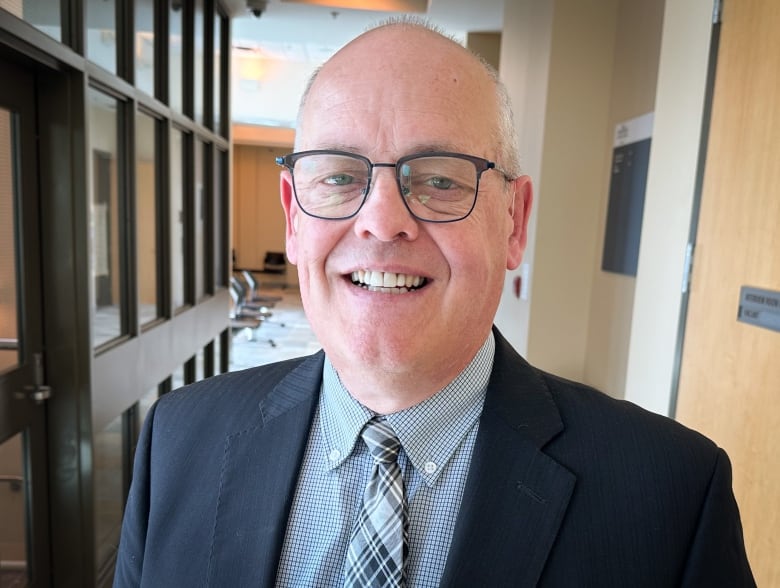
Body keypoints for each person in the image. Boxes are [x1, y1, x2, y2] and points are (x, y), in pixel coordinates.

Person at [114, 19, 755, 587]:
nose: (382, 221)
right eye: (339, 176)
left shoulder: (669, 495)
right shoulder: (177, 439)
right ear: (292, 214)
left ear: (514, 221)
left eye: (441, 178)